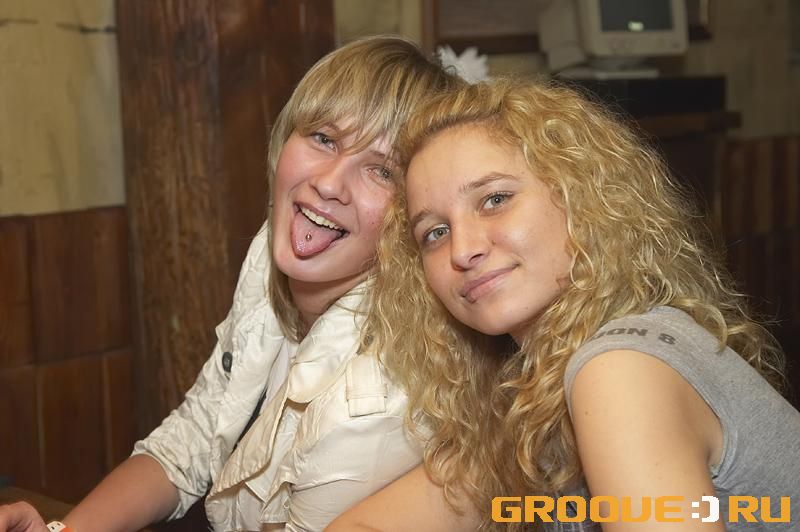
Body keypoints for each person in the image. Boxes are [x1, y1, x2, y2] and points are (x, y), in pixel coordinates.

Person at [0, 35, 461, 532]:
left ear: (415, 215)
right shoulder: (274, 250)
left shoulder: (375, 397)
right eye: (324, 138)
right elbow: (193, 439)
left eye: (380, 171)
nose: (329, 183)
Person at [328, 78, 800, 531]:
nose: (462, 249)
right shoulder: (535, 392)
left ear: (581, 196)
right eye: (435, 232)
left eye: (495, 199)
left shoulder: (620, 368)